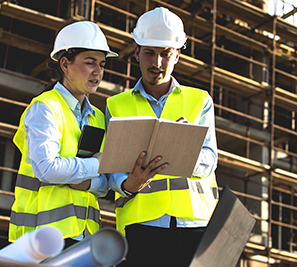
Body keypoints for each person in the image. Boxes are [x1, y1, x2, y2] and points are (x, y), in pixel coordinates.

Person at [106, 7, 219, 267]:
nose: (157, 63)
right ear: (136, 52)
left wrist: (183, 144)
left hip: (195, 225)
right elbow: (109, 167)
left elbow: (210, 160)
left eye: (165, 54)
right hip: (141, 227)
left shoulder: (200, 100)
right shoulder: (116, 105)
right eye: (149, 53)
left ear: (177, 55)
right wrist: (126, 185)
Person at [8, 21, 118, 248]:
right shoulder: (45, 107)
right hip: (42, 237)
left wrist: (86, 184)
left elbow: (105, 184)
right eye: (89, 63)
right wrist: (95, 165)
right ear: (65, 64)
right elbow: (47, 169)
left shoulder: (97, 116)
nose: (98, 71)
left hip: (85, 237)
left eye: (102, 64)